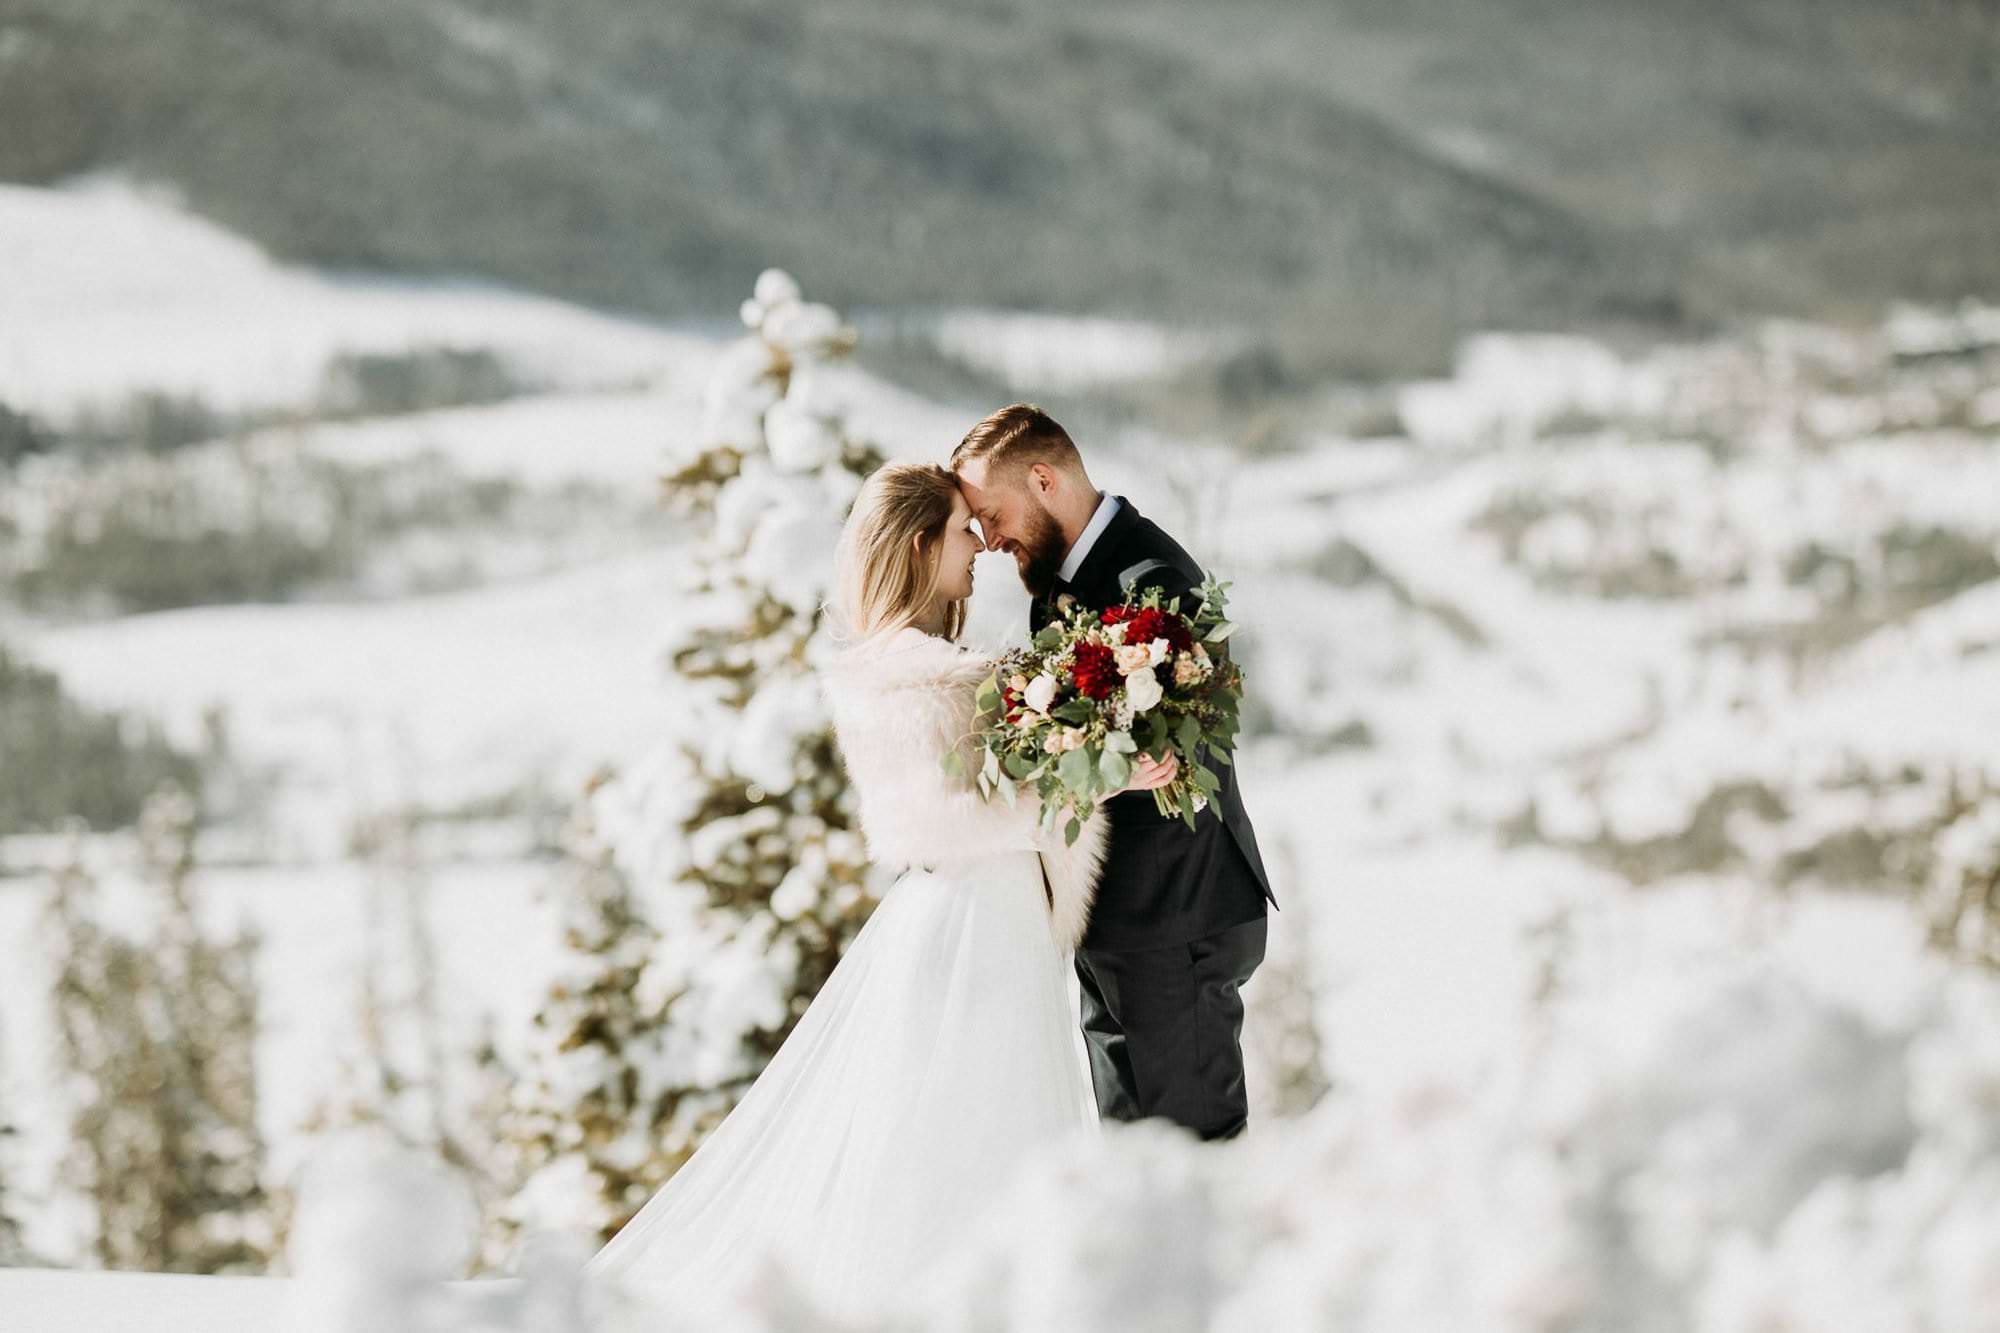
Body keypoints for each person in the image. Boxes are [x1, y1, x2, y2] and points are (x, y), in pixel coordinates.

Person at [582, 462, 1177, 1322]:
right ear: (916, 544)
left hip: (986, 921)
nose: (979, 546)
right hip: (971, 929)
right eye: (960, 531)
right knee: (973, 1149)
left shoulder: (917, 661)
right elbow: (950, 818)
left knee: (982, 1143)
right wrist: (1102, 776)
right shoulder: (912, 671)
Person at [952, 403, 1278, 1142]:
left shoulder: (1150, 580)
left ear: (1042, 480)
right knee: (1134, 1173)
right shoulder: (1062, 583)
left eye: (991, 514)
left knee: (1193, 1165)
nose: (988, 539)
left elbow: (1182, 752)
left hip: (1176, 918)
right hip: (1120, 926)